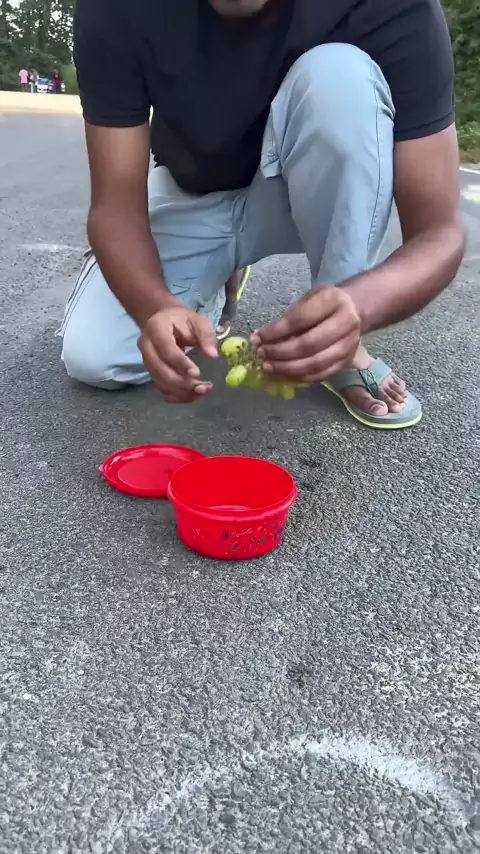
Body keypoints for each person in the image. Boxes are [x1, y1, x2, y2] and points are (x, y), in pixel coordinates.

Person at [60, 0, 464, 429]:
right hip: (192, 193)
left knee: (340, 78)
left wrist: (359, 304)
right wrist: (155, 307)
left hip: (299, 197)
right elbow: (115, 209)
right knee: (96, 355)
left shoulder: (392, 6)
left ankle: (337, 335)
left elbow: (440, 232)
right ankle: (216, 283)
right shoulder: (115, 8)